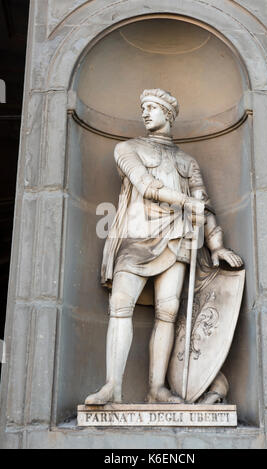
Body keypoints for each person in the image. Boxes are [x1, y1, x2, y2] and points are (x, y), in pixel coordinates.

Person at [85, 89, 243, 405]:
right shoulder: (126, 149)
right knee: (120, 305)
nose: (145, 113)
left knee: (167, 312)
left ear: (168, 115)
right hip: (136, 234)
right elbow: (145, 185)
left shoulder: (187, 161)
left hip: (177, 237)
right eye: (143, 107)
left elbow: (204, 207)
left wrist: (216, 246)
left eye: (152, 108)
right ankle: (112, 387)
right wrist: (187, 202)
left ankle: (157, 389)